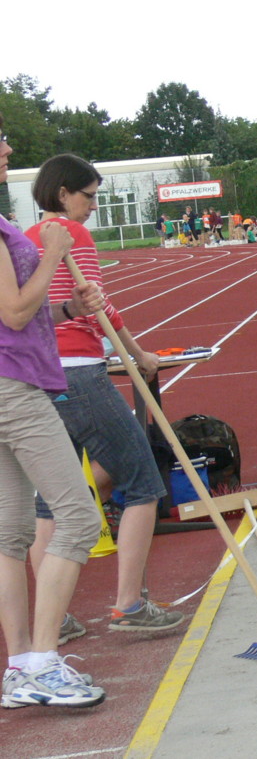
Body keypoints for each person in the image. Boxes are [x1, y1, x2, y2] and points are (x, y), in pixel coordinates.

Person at [22, 154, 186, 639]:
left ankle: (55, 618)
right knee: (143, 482)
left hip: (37, 379)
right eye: (89, 196)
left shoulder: (24, 239)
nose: (93, 206)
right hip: (78, 373)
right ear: (63, 194)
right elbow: (97, 303)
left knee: (50, 501)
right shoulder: (73, 235)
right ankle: (129, 605)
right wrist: (137, 352)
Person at [0, 125, 106, 709]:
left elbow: (20, 312)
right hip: (13, 387)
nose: (8, 149)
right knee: (78, 518)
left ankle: (20, 666)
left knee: (11, 532)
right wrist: (54, 256)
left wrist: (65, 306)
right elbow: (15, 313)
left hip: (8, 379)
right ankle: (42, 663)